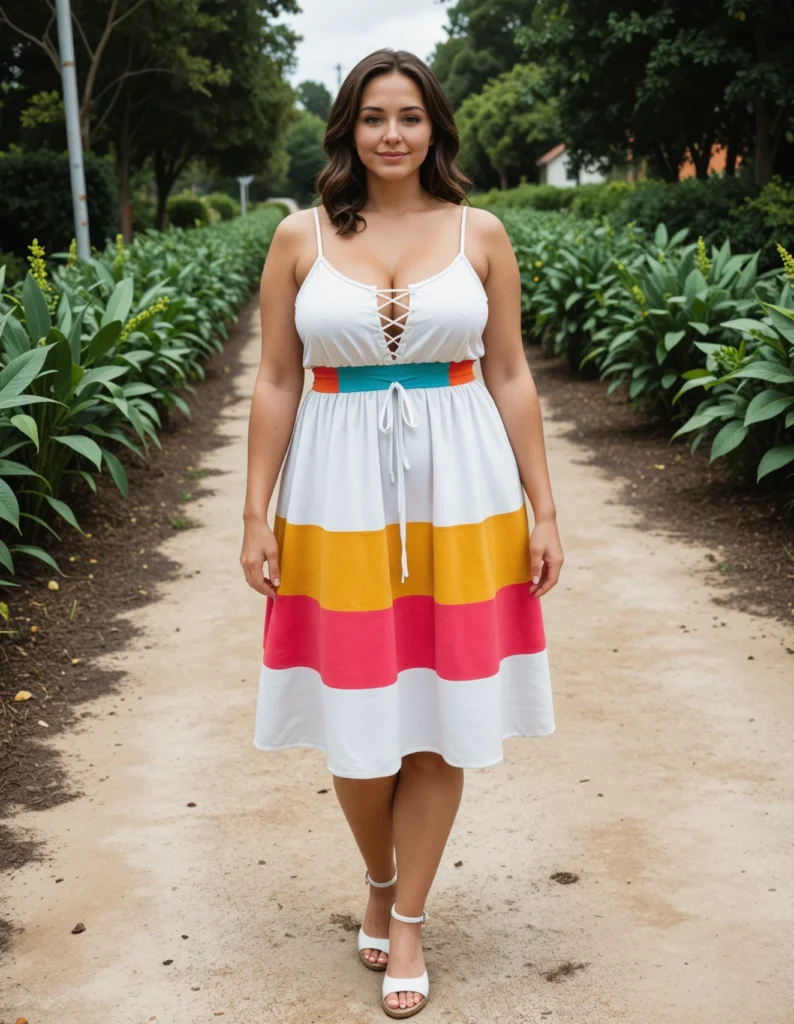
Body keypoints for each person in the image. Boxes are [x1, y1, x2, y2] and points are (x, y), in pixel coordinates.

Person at [240, 47, 563, 1020]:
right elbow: (275, 380)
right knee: (356, 717)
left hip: (460, 490)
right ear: (348, 129)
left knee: (439, 706)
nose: (391, 133)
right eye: (373, 116)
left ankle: (407, 913)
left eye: (409, 117)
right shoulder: (298, 238)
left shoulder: (482, 233)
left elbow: (508, 374)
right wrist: (253, 513)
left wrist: (543, 508)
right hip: (336, 491)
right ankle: (375, 874)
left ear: (434, 129)